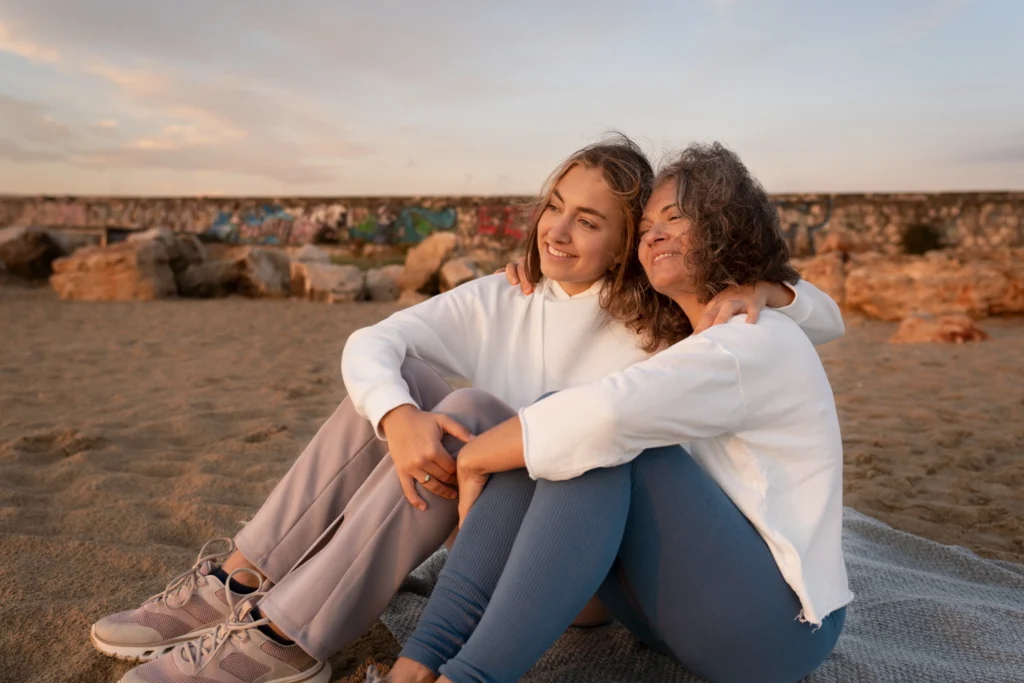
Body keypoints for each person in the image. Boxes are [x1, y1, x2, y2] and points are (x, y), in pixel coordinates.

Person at [92, 136, 845, 683]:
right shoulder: (507, 293)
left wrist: (776, 289)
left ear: (628, 244)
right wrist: (398, 418)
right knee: (410, 385)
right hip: (538, 543)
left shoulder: (699, 323)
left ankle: (293, 637)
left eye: (592, 220)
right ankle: (241, 579)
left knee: (500, 415)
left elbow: (808, 317)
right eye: (555, 207)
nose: (559, 229)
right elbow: (372, 344)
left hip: (590, 560)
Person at [381, 142, 852, 683]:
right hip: (669, 616)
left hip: (778, 632)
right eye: (647, 225)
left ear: (727, 228)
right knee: (567, 436)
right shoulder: (694, 334)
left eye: (675, 219)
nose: (654, 234)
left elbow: (604, 417)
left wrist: (475, 460)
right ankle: (418, 663)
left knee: (592, 440)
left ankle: (464, 676)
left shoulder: (749, 341)